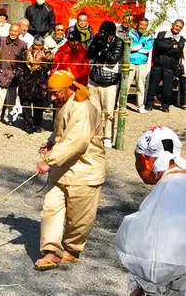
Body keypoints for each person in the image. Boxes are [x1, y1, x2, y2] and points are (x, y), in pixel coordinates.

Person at [34, 70, 106, 271]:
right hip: (61, 170)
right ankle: (51, 251)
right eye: (51, 92)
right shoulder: (64, 104)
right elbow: (60, 133)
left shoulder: (83, 109)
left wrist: (49, 161)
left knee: (79, 218)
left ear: (70, 88)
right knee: (51, 208)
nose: (53, 97)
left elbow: (77, 141)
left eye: (57, 92)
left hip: (85, 171)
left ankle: (72, 249)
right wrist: (50, 143)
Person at [116, 126, 186, 296]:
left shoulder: (169, 189)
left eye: (137, 157)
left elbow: (154, 259)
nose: (136, 164)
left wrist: (142, 284)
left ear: (146, 160)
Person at [87, 21, 123, 149]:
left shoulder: (118, 42)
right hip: (95, 80)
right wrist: (96, 44)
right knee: (94, 111)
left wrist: (105, 48)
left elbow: (113, 59)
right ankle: (96, 135)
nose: (105, 36)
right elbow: (89, 55)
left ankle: (107, 136)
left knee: (109, 112)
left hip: (110, 82)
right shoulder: (97, 38)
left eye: (107, 34)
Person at [146, 19, 185, 113]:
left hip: (170, 66)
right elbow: (159, 46)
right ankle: (149, 104)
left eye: (180, 27)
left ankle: (165, 106)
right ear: (172, 25)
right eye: (176, 26)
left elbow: (177, 52)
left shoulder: (181, 39)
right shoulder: (161, 34)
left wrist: (166, 47)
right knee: (153, 86)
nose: (177, 28)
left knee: (167, 88)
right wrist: (172, 46)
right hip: (158, 64)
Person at [16, 36, 53, 133]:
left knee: (38, 106)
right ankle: (28, 124)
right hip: (26, 83)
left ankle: (38, 124)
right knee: (26, 105)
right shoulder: (25, 53)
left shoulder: (47, 54)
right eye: (36, 45)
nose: (38, 47)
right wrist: (21, 77)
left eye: (40, 46)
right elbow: (19, 66)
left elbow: (49, 67)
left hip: (39, 84)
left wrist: (43, 61)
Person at [0, 23, 26, 124]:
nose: (13, 33)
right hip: (1, 71)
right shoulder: (1, 40)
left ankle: (8, 117)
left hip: (13, 75)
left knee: (11, 98)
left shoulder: (23, 45)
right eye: (12, 30)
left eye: (16, 31)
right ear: (9, 30)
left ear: (19, 32)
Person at [127, 18, 154, 114]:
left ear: (147, 26)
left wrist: (136, 47)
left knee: (141, 86)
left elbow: (147, 49)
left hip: (142, 63)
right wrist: (141, 44)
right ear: (137, 24)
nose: (142, 27)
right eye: (141, 24)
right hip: (130, 61)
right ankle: (120, 104)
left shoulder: (149, 35)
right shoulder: (130, 33)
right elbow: (130, 47)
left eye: (144, 25)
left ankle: (140, 106)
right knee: (126, 85)